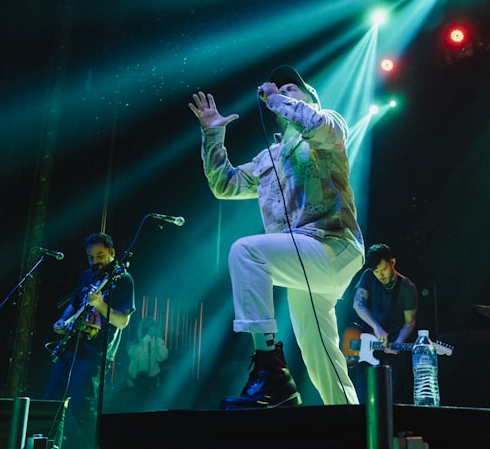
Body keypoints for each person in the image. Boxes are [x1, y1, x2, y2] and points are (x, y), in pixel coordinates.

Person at [188, 65, 365, 409]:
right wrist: (213, 136)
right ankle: (354, 431)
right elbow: (225, 185)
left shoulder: (328, 123)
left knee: (246, 252)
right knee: (320, 356)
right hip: (302, 261)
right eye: (279, 87)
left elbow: (315, 125)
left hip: (333, 245)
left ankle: (269, 365)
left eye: (292, 88)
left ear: (309, 97)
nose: (284, 91)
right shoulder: (268, 158)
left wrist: (276, 98)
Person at [44, 232, 136, 449]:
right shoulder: (86, 275)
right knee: (50, 404)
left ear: (113, 253)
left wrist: (101, 304)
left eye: (100, 256)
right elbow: (74, 306)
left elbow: (122, 321)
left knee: (80, 408)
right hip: (70, 347)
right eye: (90, 257)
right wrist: (62, 321)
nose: (95, 261)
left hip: (95, 353)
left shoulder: (123, 279)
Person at [350, 243, 418, 403]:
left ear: (392, 263)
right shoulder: (368, 276)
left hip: (392, 352)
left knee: (389, 399)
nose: (380, 275)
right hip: (367, 348)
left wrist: (399, 342)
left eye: (384, 269)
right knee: (363, 397)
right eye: (376, 271)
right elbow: (358, 304)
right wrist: (377, 328)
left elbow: (409, 322)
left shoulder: (407, 288)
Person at [125, 316, 169, 406]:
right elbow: (137, 354)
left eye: (153, 327)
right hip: (135, 383)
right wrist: (147, 336)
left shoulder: (155, 342)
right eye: (150, 328)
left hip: (151, 382)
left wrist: (159, 339)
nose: (153, 330)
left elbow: (163, 357)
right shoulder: (133, 344)